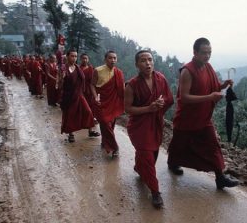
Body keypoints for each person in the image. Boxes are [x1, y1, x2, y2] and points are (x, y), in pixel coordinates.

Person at [167, 37, 239, 189]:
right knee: (179, 145)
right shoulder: (187, 71)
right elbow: (183, 97)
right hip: (187, 118)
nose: (207, 56)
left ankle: (220, 177)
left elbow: (212, 86)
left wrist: (223, 85)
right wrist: (209, 97)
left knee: (212, 145)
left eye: (209, 53)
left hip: (204, 117)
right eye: (204, 53)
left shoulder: (208, 67)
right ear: (195, 52)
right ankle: (173, 163)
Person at [125, 50, 174, 208]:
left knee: (152, 155)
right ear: (137, 65)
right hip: (139, 126)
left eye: (150, 60)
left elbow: (169, 99)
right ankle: (155, 192)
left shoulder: (161, 78)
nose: (147, 63)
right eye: (143, 60)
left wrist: (159, 107)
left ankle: (140, 168)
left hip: (155, 123)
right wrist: (149, 108)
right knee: (146, 154)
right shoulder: (132, 85)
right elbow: (128, 109)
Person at [91, 50, 125, 158]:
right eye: (110, 58)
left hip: (113, 102)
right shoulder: (98, 70)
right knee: (105, 122)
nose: (113, 60)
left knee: (111, 123)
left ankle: (105, 141)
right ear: (105, 59)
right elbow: (92, 85)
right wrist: (95, 96)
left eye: (115, 58)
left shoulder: (118, 72)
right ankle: (115, 147)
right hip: (101, 101)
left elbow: (121, 89)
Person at [60, 49, 95, 143]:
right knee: (70, 115)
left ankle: (90, 131)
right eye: (72, 56)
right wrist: (61, 77)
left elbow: (83, 80)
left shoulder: (77, 68)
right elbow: (60, 84)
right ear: (67, 56)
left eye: (75, 56)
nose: (74, 58)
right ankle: (71, 134)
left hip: (79, 94)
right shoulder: (64, 68)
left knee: (88, 111)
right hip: (68, 96)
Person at [79, 53, 100, 137]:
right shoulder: (78, 68)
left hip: (89, 92)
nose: (85, 60)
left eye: (86, 58)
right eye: (83, 58)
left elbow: (94, 82)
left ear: (88, 59)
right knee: (81, 109)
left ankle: (90, 130)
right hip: (80, 91)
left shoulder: (91, 69)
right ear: (80, 59)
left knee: (91, 110)